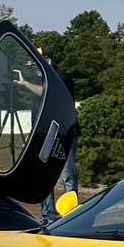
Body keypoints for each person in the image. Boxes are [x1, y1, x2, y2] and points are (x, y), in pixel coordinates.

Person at [36, 47, 78, 223]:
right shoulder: (40, 80)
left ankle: (72, 215)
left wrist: (25, 84)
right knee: (44, 176)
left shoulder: (63, 77)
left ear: (48, 60)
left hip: (64, 133)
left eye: (37, 61)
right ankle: (48, 216)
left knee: (67, 174)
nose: (34, 67)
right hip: (46, 134)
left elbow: (52, 94)